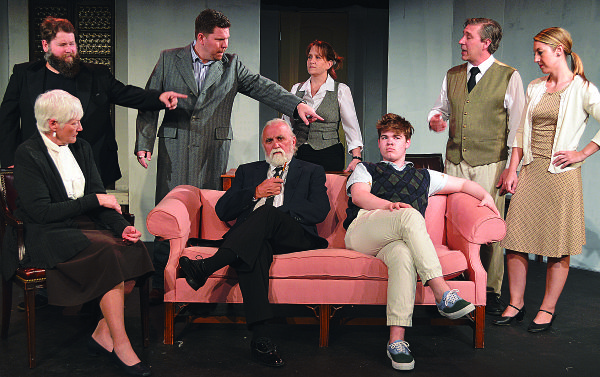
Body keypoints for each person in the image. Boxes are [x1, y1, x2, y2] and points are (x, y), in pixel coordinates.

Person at [135, 9, 322, 302]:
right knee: (170, 209)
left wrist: (296, 105)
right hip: (176, 145)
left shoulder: (232, 66)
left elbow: (263, 87)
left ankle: (199, 275)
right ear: (201, 37)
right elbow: (149, 102)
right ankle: (163, 279)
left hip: (212, 147)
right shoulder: (169, 59)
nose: (225, 45)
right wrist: (143, 141)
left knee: (205, 212)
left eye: (227, 39)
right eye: (220, 39)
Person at [1, 90, 154, 376]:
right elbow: (41, 212)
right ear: (53, 124)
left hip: (81, 225)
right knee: (109, 253)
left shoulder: (81, 148)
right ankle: (121, 345)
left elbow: (100, 200)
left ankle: (101, 332)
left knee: (134, 247)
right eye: (75, 122)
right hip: (46, 234)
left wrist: (124, 227)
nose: (81, 128)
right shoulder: (28, 154)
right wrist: (94, 201)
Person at [344, 113, 499, 371]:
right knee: (409, 214)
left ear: (408, 143)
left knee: (404, 256)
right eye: (384, 138)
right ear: (379, 143)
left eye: (396, 137)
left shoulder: (425, 177)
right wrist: (390, 206)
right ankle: (442, 292)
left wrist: (486, 197)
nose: (389, 142)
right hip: (364, 231)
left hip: (395, 242)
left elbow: (462, 184)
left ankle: (397, 341)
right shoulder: (366, 168)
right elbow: (360, 197)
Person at [178, 119, 330, 367]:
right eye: (269, 141)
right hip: (252, 239)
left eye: (280, 139)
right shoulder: (248, 171)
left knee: (268, 214)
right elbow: (223, 210)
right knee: (255, 250)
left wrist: (279, 214)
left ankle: (207, 266)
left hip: (294, 236)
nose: (275, 145)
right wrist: (256, 192)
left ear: (293, 141)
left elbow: (319, 210)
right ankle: (261, 338)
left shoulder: (312, 170)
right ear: (263, 146)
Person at [493, 27, 600, 332]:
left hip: (560, 177)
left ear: (559, 51)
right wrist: (512, 168)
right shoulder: (536, 86)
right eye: (535, 51)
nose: (536, 58)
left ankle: (547, 308)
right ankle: (516, 303)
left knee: (557, 246)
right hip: (529, 170)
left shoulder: (582, 88)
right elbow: (521, 133)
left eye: (540, 51)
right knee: (514, 241)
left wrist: (583, 153)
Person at [0, 17, 185, 188]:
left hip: (92, 165)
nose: (69, 49)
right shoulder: (24, 75)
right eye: (62, 44)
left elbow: (125, 93)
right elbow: (7, 118)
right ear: (45, 46)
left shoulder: (97, 74)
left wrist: (158, 98)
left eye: (72, 44)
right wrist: (10, 159)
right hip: (40, 164)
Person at [427, 18, 525, 315]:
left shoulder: (509, 76)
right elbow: (440, 108)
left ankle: (492, 290)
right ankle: (455, 284)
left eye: (468, 36)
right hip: (454, 161)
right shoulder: (453, 74)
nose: (461, 41)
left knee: (488, 226)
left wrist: (512, 168)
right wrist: (435, 119)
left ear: (486, 42)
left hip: (490, 162)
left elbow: (518, 127)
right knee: (451, 223)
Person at [282, 40, 363, 172]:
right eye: (309, 57)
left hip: (328, 154)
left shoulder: (340, 90)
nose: (311, 61)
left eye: (317, 57)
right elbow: (286, 125)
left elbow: (351, 126)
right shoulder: (297, 89)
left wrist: (356, 157)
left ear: (329, 64)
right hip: (299, 153)